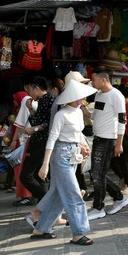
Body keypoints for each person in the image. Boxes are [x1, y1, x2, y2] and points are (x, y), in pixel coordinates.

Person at [29, 80, 95, 245]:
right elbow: (52, 139)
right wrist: (45, 164)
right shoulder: (61, 114)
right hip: (60, 156)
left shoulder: (78, 112)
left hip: (72, 153)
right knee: (73, 193)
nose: (82, 99)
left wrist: (83, 146)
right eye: (79, 97)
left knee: (58, 194)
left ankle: (40, 229)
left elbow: (77, 133)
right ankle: (79, 233)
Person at [88, 67, 128, 220]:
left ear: (103, 79)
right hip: (97, 137)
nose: (92, 82)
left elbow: (122, 120)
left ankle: (98, 207)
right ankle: (119, 198)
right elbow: (97, 115)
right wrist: (87, 114)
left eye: (94, 79)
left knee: (98, 174)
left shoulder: (116, 95)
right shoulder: (98, 95)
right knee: (98, 173)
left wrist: (119, 143)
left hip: (107, 140)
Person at [19, 77, 56, 203]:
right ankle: (44, 204)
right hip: (38, 141)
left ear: (37, 88)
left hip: (42, 142)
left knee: (26, 176)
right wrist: (30, 109)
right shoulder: (42, 100)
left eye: (30, 90)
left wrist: (34, 129)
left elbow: (50, 123)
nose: (29, 93)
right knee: (39, 176)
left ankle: (46, 201)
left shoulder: (49, 99)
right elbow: (38, 120)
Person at [111, 83, 128, 195]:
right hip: (124, 135)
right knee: (115, 160)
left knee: (123, 162)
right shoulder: (126, 105)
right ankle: (123, 180)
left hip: (126, 136)